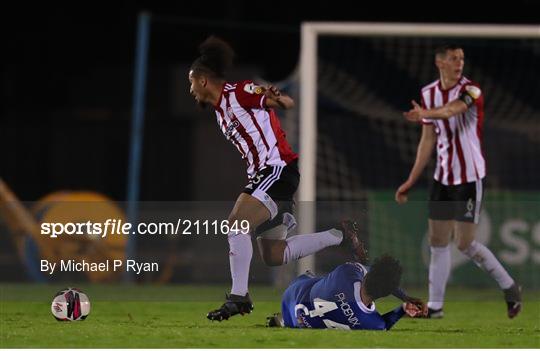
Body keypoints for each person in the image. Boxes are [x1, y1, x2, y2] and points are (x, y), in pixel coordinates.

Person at [188, 36, 366, 321]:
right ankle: (340, 234)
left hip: (276, 169)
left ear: (203, 79)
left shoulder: (240, 90)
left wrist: (276, 97)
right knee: (273, 255)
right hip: (268, 176)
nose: (191, 90)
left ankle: (239, 297)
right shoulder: (222, 112)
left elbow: (284, 101)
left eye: (191, 82)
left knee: (236, 223)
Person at [395, 44, 521, 319]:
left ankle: (511, 288)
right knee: (437, 241)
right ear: (440, 62)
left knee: (465, 244)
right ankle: (436, 307)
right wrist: (410, 180)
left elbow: (452, 110)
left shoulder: (471, 90)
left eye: (462, 58)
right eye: (454, 58)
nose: (459, 63)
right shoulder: (427, 93)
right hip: (443, 179)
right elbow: (427, 140)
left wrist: (424, 114)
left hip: (469, 177)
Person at [267, 255, 427, 330]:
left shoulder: (348, 271)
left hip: (292, 295)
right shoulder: (372, 323)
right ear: (384, 293)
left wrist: (404, 295)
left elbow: (373, 270)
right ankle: (285, 321)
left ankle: (284, 318)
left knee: (318, 279)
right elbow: (385, 324)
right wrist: (403, 307)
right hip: (300, 324)